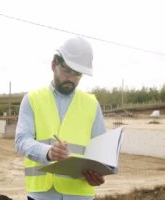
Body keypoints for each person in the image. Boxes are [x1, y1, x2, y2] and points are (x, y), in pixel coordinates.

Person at [15, 36, 107, 200]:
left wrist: (99, 174)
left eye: (77, 73)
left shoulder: (92, 104)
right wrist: (48, 152)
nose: (71, 78)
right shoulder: (32, 99)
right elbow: (22, 140)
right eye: (67, 70)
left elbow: (102, 151)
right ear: (53, 65)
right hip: (41, 195)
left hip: (81, 194)